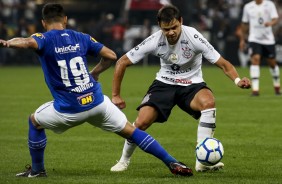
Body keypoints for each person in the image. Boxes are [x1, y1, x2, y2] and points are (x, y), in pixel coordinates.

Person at [0, 3, 193, 177]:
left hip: (70, 109)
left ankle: (37, 170)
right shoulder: (80, 37)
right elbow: (110, 55)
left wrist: (9, 42)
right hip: (97, 102)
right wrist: (95, 73)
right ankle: (172, 162)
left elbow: (27, 42)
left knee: (34, 121)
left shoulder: (43, 38)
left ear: (43, 23)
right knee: (131, 131)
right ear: (65, 20)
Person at [110, 5, 251, 173]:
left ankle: (202, 161)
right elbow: (122, 62)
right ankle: (124, 160)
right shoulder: (154, 40)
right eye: (166, 29)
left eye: (174, 27)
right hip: (164, 84)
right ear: (160, 26)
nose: (171, 32)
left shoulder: (194, 37)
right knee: (141, 122)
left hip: (192, 84)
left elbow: (223, 64)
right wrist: (116, 95)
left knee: (209, 102)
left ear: (181, 22)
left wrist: (236, 80)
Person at [239, 0, 281, 96]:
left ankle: (277, 86)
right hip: (254, 39)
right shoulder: (248, 7)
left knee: (272, 63)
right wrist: (242, 39)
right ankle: (255, 89)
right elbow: (244, 24)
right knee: (255, 59)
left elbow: (275, 18)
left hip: (268, 40)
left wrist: (271, 23)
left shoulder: (269, 5)